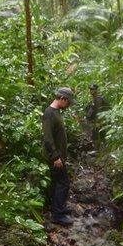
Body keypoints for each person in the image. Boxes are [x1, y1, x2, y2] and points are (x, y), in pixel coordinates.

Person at [42, 87, 74, 226]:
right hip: (54, 157)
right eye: (68, 103)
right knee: (63, 183)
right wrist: (55, 157)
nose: (68, 106)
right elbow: (47, 138)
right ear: (63, 99)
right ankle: (57, 215)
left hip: (59, 155)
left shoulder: (56, 112)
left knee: (57, 183)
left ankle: (58, 208)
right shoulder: (49, 113)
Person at [84, 84, 110, 148]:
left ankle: (101, 150)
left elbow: (99, 111)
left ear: (96, 90)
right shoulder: (94, 99)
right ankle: (98, 150)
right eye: (90, 89)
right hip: (96, 121)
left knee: (99, 135)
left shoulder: (99, 99)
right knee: (96, 135)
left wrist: (98, 121)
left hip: (100, 121)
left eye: (93, 89)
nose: (91, 91)